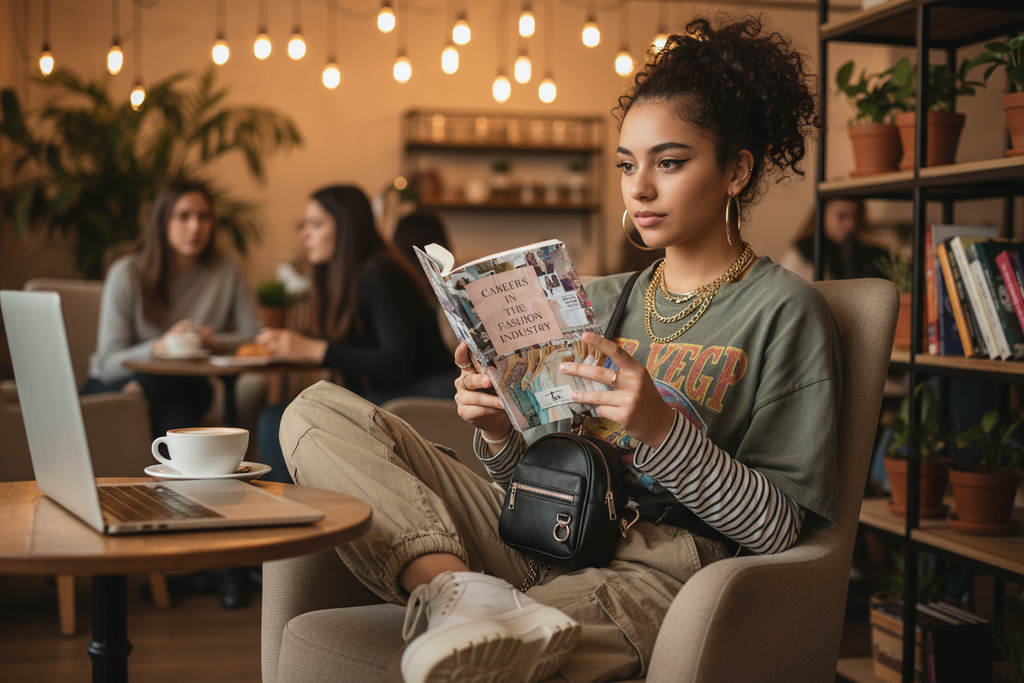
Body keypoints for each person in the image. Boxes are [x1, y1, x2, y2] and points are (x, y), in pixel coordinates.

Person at [277, 16, 841, 683]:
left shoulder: (785, 312)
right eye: (628, 165)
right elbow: (530, 477)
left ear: (736, 170)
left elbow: (780, 531)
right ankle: (458, 591)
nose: (641, 188)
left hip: (661, 566)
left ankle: (489, 624)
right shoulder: (594, 297)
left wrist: (659, 428)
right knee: (314, 411)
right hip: (542, 527)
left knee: (491, 662)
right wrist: (496, 428)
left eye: (670, 161)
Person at [255, 185, 456, 483]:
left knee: (276, 419)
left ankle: (298, 515)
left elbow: (396, 364)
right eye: (304, 225)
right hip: (398, 392)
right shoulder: (340, 279)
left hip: (429, 391)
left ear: (346, 228)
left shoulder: (380, 273)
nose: (304, 234)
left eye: (316, 224)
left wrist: (317, 350)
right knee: (280, 415)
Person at [84, 180, 261, 438]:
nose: (195, 227)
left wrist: (217, 342)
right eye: (183, 216)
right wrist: (159, 347)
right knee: (173, 402)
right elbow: (107, 362)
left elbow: (255, 337)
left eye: (204, 217)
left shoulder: (227, 268)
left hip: (185, 386)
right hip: (118, 383)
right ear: (162, 221)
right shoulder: (127, 273)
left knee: (190, 393)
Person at [778, 197, 889, 281]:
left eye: (856, 216)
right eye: (841, 216)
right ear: (821, 215)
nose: (851, 224)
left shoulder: (866, 251)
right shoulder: (801, 254)